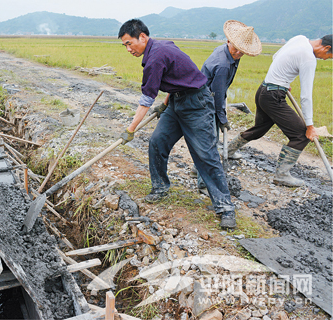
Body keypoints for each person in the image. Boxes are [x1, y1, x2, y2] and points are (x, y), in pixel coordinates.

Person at [118, 19, 237, 229]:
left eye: (129, 43)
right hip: (176, 102)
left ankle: (225, 207)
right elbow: (177, 76)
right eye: (124, 45)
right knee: (157, 141)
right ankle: (160, 187)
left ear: (143, 37)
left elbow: (146, 99)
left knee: (205, 155)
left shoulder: (155, 57)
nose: (128, 49)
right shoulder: (162, 46)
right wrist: (165, 104)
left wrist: (130, 129)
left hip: (197, 104)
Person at [227, 34, 332, 187]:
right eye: (328, 56)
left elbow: (276, 57)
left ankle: (227, 151)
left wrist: (283, 80)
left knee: (259, 129)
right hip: (273, 96)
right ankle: (282, 175)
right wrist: (310, 126)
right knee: (301, 135)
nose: (324, 59)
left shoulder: (300, 38)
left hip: (264, 90)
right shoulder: (309, 58)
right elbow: (306, 96)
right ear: (327, 48)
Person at [195, 20, 262, 193]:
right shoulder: (223, 64)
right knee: (210, 142)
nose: (239, 52)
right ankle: (204, 183)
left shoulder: (228, 53)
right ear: (228, 41)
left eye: (243, 51)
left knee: (207, 141)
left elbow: (220, 91)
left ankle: (198, 169)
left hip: (208, 97)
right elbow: (216, 96)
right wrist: (222, 119)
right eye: (236, 48)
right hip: (204, 102)